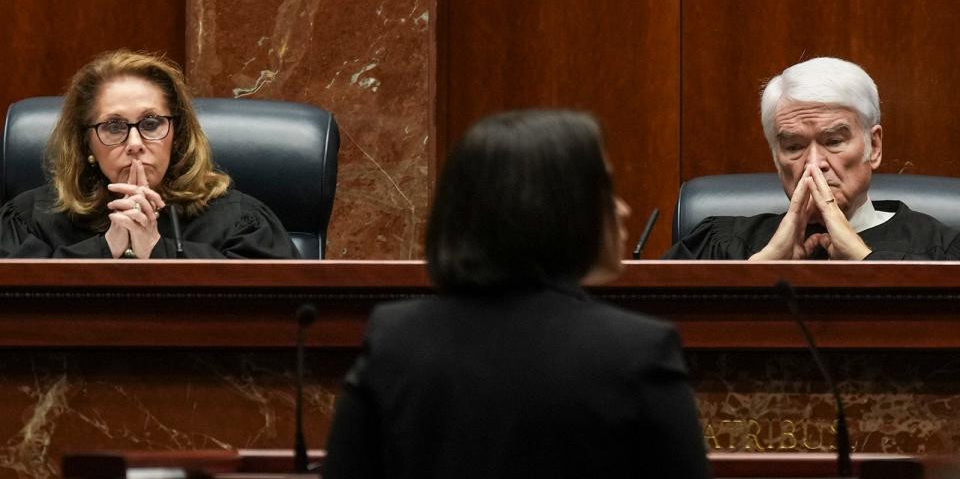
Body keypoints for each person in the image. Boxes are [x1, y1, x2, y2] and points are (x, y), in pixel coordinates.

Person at [323, 110, 710, 479]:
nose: (623, 209)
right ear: (559, 210)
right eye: (605, 190)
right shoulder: (637, 352)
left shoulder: (394, 341)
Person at [0, 50, 299, 259]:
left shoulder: (240, 222)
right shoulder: (32, 219)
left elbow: (278, 324)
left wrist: (158, 249)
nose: (134, 142)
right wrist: (106, 248)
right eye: (114, 126)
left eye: (151, 123)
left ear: (178, 135)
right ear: (86, 143)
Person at [665, 56, 960, 260]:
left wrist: (866, 262)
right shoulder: (721, 244)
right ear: (776, 159)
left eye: (833, 141)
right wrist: (757, 272)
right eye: (794, 147)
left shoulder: (941, 248)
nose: (813, 163)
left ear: (874, 146)